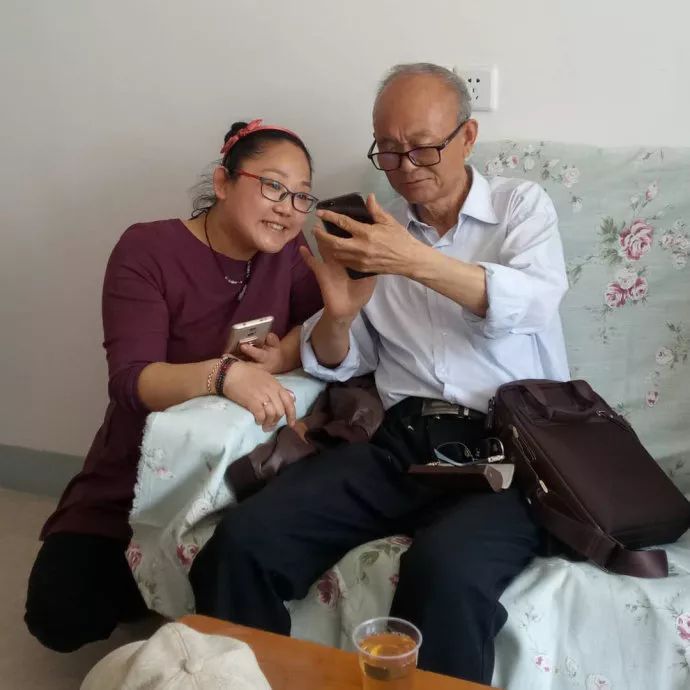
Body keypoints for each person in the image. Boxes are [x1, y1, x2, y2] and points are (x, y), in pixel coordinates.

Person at [189, 63, 569, 684]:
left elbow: (532, 304)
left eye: (422, 146)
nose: (405, 165)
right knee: (243, 543)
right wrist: (340, 315)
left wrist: (412, 260)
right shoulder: (371, 234)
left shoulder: (519, 207)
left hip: (510, 453)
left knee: (444, 574)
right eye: (387, 150)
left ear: (468, 136)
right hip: (402, 444)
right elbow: (343, 355)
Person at [25, 119, 323, 652]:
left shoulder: (288, 255)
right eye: (273, 187)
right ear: (224, 181)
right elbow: (131, 379)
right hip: (138, 470)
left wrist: (286, 350)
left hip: (238, 475)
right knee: (60, 615)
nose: (287, 208)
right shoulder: (148, 248)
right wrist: (225, 374)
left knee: (229, 568)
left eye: (301, 196)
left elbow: (322, 325)